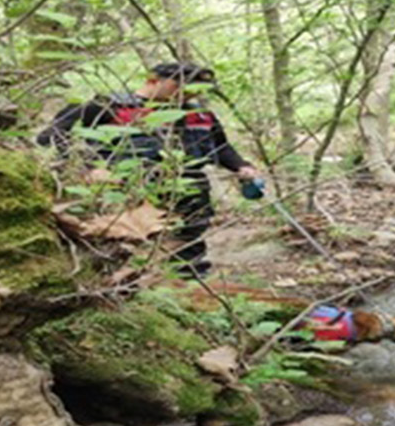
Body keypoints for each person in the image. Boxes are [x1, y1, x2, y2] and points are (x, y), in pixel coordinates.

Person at [37, 62, 260, 277]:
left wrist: (243, 167)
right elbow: (52, 136)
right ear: (154, 80)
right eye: (181, 85)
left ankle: (188, 282)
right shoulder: (108, 106)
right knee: (123, 240)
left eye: (195, 88)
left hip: (189, 186)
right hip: (126, 187)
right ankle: (121, 284)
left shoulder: (201, 115)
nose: (189, 93)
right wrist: (89, 167)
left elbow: (221, 147)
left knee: (189, 236)